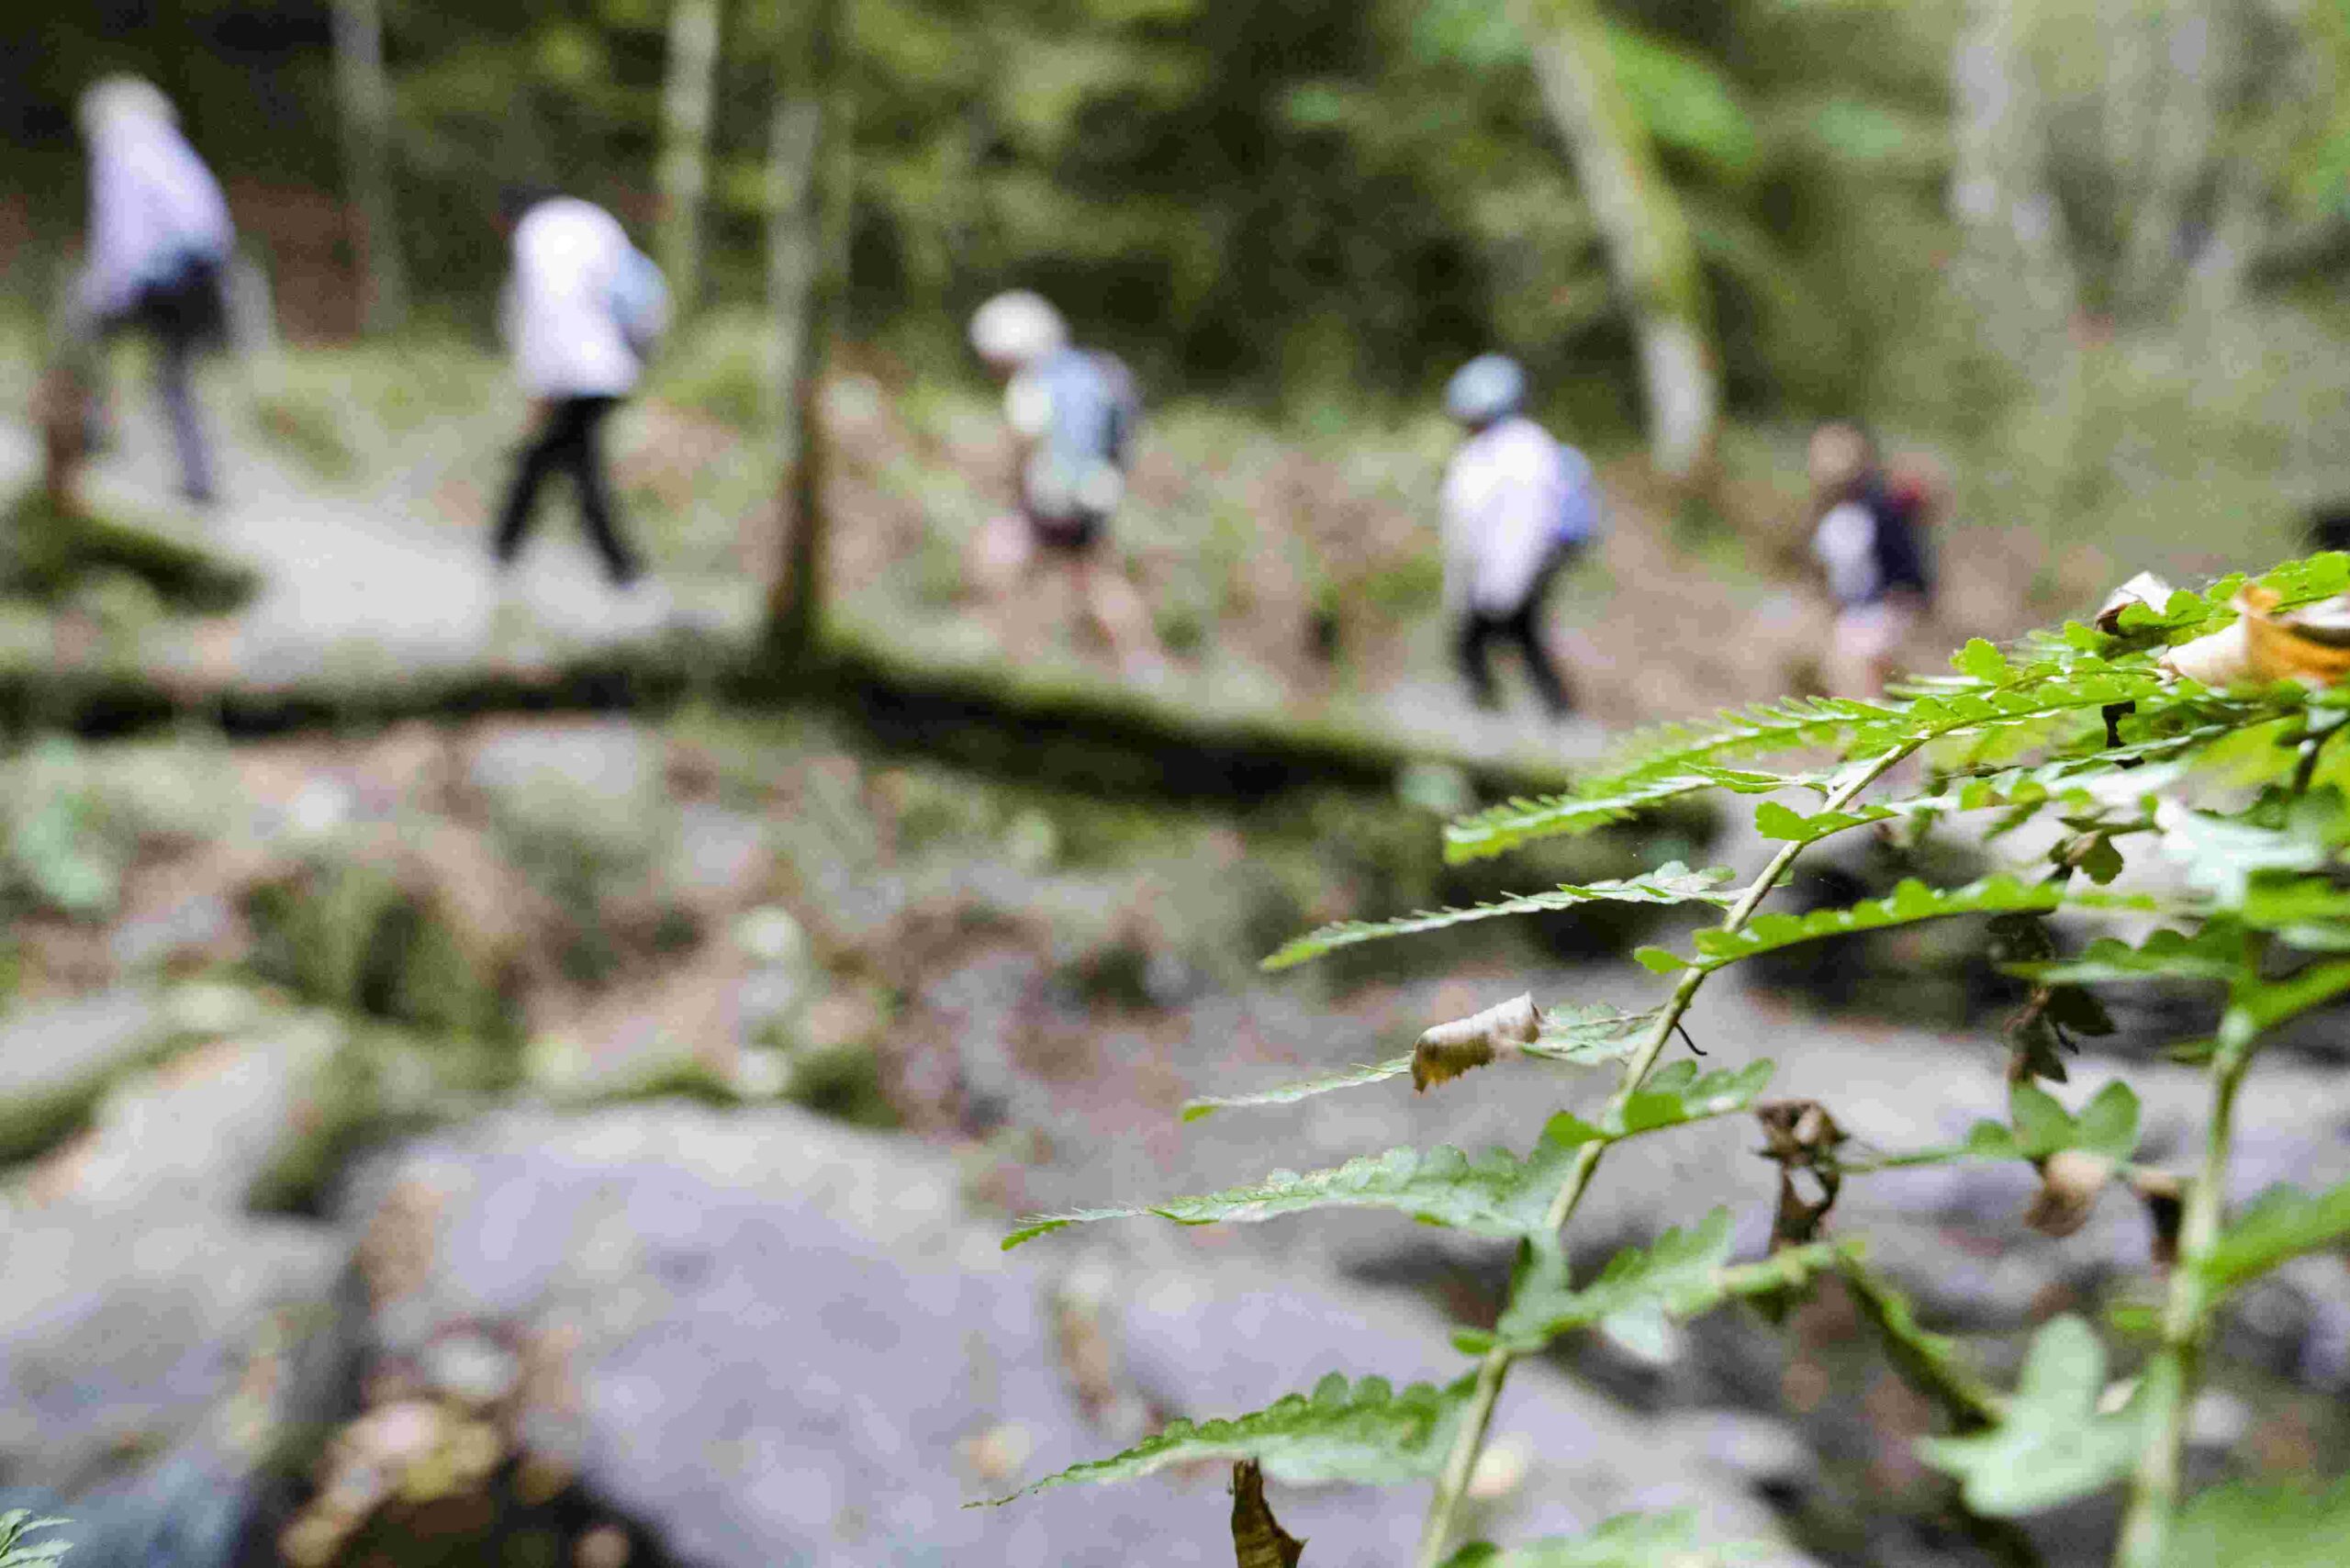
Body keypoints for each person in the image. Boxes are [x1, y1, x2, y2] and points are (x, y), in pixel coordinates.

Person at [966, 290, 1159, 671]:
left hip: (1050, 500)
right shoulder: (1093, 373)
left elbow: (1023, 443)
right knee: (1098, 581)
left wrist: (1013, 490)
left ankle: (1002, 658)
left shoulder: (1033, 383)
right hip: (1094, 498)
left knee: (992, 561)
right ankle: (1144, 667)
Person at [492, 187, 667, 601]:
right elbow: (640, 291)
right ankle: (505, 553)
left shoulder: (536, 234)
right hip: (614, 366)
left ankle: (622, 572)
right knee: (554, 461)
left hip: (572, 374)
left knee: (566, 466)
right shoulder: (595, 220)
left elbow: (547, 315)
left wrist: (541, 389)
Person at [73, 75, 234, 505]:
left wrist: (108, 292)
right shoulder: (172, 149)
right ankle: (200, 479)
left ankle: (85, 438)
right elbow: (213, 224)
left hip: (159, 278)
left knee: (84, 337)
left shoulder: (120, 150)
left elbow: (123, 232)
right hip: (203, 276)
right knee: (174, 377)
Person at [1439, 353, 1596, 718]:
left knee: (1484, 642)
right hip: (1503, 570)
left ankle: (1523, 716)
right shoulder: (1496, 448)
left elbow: (1521, 523)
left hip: (1514, 569)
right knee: (1515, 641)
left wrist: (1504, 580)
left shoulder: (1520, 450)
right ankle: (1551, 716)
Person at [1808, 420, 1936, 697]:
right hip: (1851, 611)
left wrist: (1906, 602)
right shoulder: (1827, 511)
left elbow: (1909, 562)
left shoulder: (1883, 506)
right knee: (1842, 667)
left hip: (1885, 608)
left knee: (1855, 665)